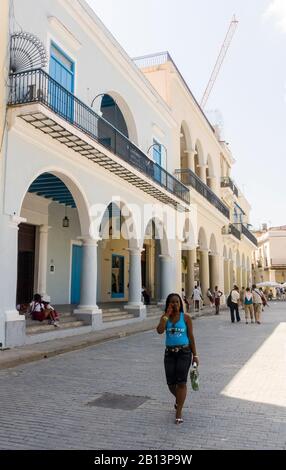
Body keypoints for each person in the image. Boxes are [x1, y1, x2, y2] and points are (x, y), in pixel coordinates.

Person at [156, 293, 199, 424]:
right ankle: (179, 400)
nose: (174, 304)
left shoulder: (186, 318)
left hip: (184, 352)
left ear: (180, 304)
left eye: (177, 302)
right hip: (169, 354)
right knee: (170, 384)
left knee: (181, 382)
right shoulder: (165, 318)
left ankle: (178, 411)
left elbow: (191, 336)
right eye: (172, 302)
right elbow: (159, 331)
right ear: (168, 304)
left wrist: (195, 355)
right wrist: (166, 316)